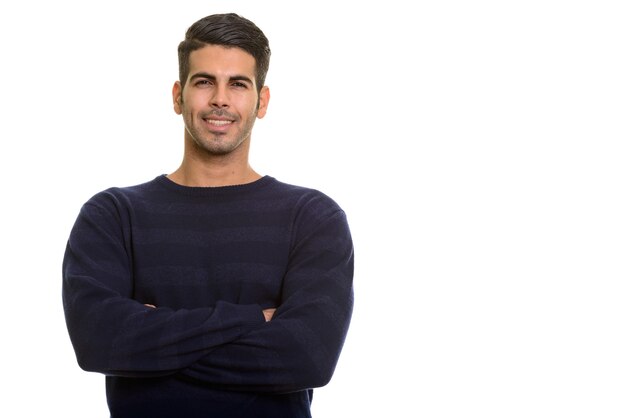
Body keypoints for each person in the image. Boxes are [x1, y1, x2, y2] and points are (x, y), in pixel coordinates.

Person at [62, 13, 354, 418]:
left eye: (238, 84)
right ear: (178, 96)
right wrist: (256, 318)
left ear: (261, 101)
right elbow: (99, 342)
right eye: (204, 82)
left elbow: (307, 358)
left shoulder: (311, 217)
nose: (220, 99)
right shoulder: (114, 215)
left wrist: (153, 342)